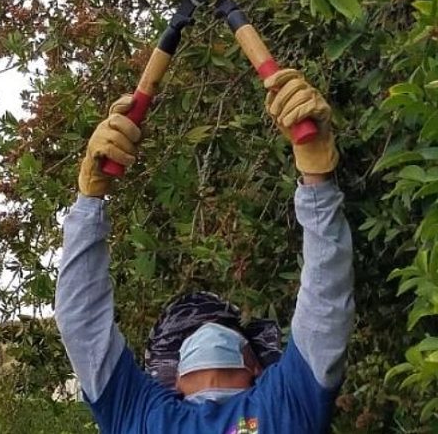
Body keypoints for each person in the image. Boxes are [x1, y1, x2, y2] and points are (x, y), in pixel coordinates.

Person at [56, 69, 354, 433]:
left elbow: (81, 322)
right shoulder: (286, 402)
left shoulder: (142, 416)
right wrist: (317, 180)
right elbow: (326, 304)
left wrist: (90, 199)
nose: (209, 328)